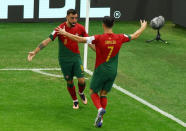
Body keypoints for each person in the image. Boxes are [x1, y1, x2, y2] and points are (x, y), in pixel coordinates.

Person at [56, 16, 147, 127]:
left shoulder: (98, 38)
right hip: (113, 71)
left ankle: (99, 109)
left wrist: (65, 33)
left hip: (101, 70)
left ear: (103, 25)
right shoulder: (120, 37)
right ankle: (101, 120)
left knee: (93, 92)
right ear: (113, 25)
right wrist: (143, 27)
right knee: (103, 94)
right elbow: (135, 35)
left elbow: (80, 39)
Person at [28, 9, 95, 109]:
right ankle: (75, 100)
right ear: (67, 17)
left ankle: (81, 92)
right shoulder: (59, 29)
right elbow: (47, 41)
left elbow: (88, 41)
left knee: (82, 81)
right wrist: (35, 51)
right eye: (72, 18)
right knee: (69, 81)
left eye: (76, 18)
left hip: (76, 57)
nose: (74, 20)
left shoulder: (80, 28)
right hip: (64, 60)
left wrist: (99, 52)